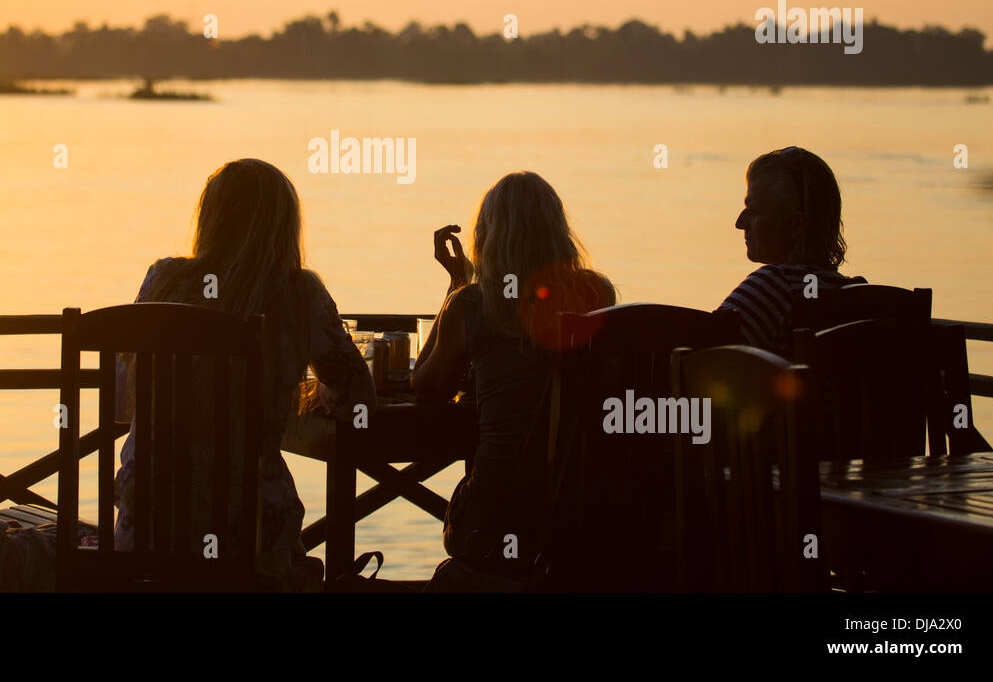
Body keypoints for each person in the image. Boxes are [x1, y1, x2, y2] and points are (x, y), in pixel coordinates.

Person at [113, 159, 375, 591]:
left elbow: (124, 398)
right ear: (284, 227)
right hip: (251, 542)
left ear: (210, 218)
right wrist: (316, 389)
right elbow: (359, 401)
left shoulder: (162, 281)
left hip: (148, 533)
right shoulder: (298, 296)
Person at [412, 171, 616, 589]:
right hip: (580, 513)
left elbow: (426, 387)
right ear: (559, 231)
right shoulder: (597, 295)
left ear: (487, 236)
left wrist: (456, 284)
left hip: (493, 517)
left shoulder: (474, 304)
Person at [720, 146, 865, 354]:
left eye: (754, 210)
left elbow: (698, 362)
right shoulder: (857, 298)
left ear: (797, 225)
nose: (740, 223)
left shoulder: (775, 287)